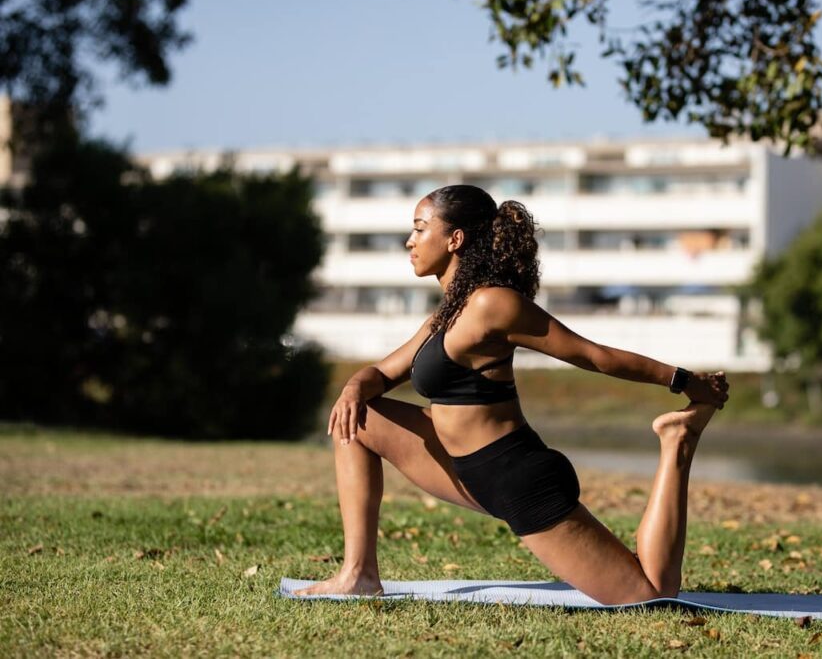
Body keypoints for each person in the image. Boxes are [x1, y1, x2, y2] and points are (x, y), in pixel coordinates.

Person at [295, 185, 729, 605]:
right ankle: (359, 574)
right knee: (353, 420)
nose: (410, 241)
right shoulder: (447, 312)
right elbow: (383, 373)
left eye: (420, 228)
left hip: (515, 478)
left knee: (650, 593)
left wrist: (683, 381)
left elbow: (592, 355)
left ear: (455, 239)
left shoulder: (492, 304)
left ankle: (678, 440)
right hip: (458, 465)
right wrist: (353, 387)